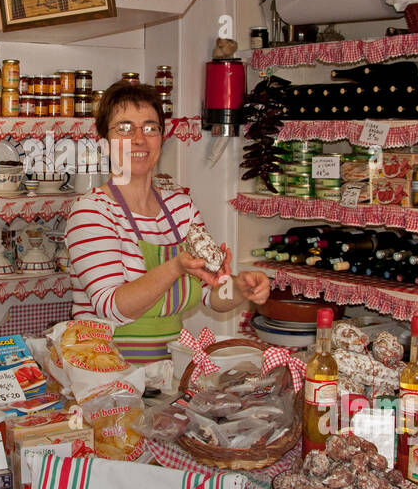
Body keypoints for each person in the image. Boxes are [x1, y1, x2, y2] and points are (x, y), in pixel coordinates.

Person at [64, 82, 270, 365]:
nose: (139, 139)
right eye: (124, 128)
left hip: (169, 370)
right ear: (104, 143)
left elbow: (213, 294)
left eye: (150, 128)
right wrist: (174, 268)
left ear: (162, 138)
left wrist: (239, 289)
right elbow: (112, 308)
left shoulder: (181, 208)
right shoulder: (92, 211)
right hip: (104, 372)